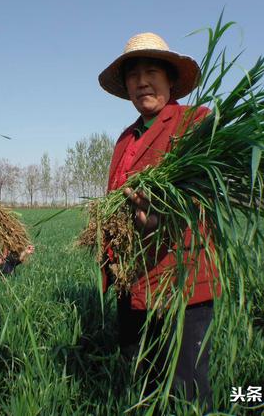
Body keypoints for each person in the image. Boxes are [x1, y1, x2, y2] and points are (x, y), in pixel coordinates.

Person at [97, 32, 220, 407]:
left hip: (179, 277)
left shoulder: (195, 123)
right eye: (133, 75)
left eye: (152, 71)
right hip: (131, 281)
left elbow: (209, 192)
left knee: (188, 387)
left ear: (170, 79)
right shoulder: (125, 139)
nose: (142, 81)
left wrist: (163, 214)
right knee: (144, 380)